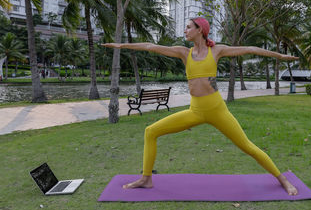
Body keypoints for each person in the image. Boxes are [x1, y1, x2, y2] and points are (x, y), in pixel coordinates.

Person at [102, 17, 299, 195]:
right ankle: (146, 179)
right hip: (195, 112)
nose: (185, 31)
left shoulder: (217, 50)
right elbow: (149, 46)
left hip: (217, 110)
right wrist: (121, 45)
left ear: (200, 30)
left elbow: (251, 49)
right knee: (150, 131)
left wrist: (279, 57)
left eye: (188, 27)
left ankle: (282, 180)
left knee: (247, 146)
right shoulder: (183, 53)